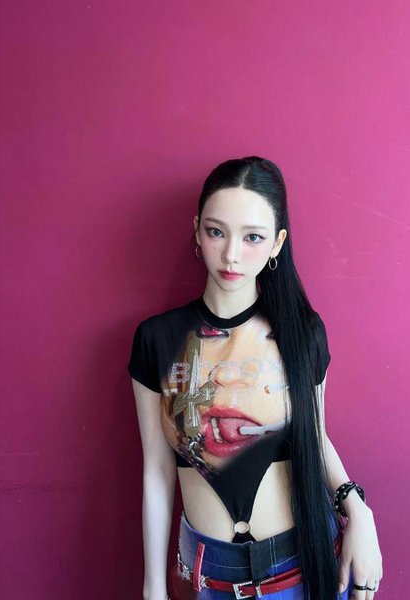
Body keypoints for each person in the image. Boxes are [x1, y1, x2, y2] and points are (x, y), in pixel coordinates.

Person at [128, 156, 383, 600]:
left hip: (303, 566)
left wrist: (360, 513)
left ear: (277, 243)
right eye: (216, 232)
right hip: (209, 577)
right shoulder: (158, 339)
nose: (231, 254)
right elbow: (157, 469)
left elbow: (314, 435)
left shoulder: (302, 333)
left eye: (252, 238)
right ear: (197, 231)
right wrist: (153, 587)